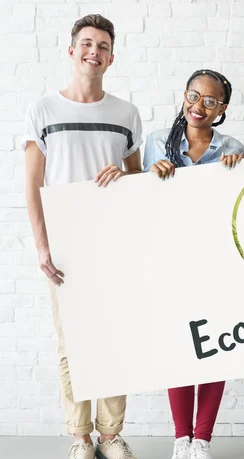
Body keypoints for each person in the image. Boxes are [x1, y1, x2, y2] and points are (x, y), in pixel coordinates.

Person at [23, 14, 142, 459]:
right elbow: (33, 182)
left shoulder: (125, 114)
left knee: (112, 337)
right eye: (87, 43)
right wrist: (41, 245)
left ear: (112, 57)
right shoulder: (43, 111)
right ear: (72, 51)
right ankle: (81, 436)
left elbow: (137, 184)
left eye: (104, 45)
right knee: (71, 343)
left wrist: (123, 177)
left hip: (112, 244)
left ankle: (111, 434)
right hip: (65, 247)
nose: (95, 51)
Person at [142, 68, 244, 459]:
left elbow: (242, 206)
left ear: (222, 108)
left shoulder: (232, 147)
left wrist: (240, 169)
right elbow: (138, 204)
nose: (199, 106)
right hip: (170, 262)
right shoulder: (155, 143)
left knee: (214, 349)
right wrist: (151, 176)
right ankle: (180, 438)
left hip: (217, 263)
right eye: (193, 95)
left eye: (210, 100)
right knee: (180, 351)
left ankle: (202, 440)